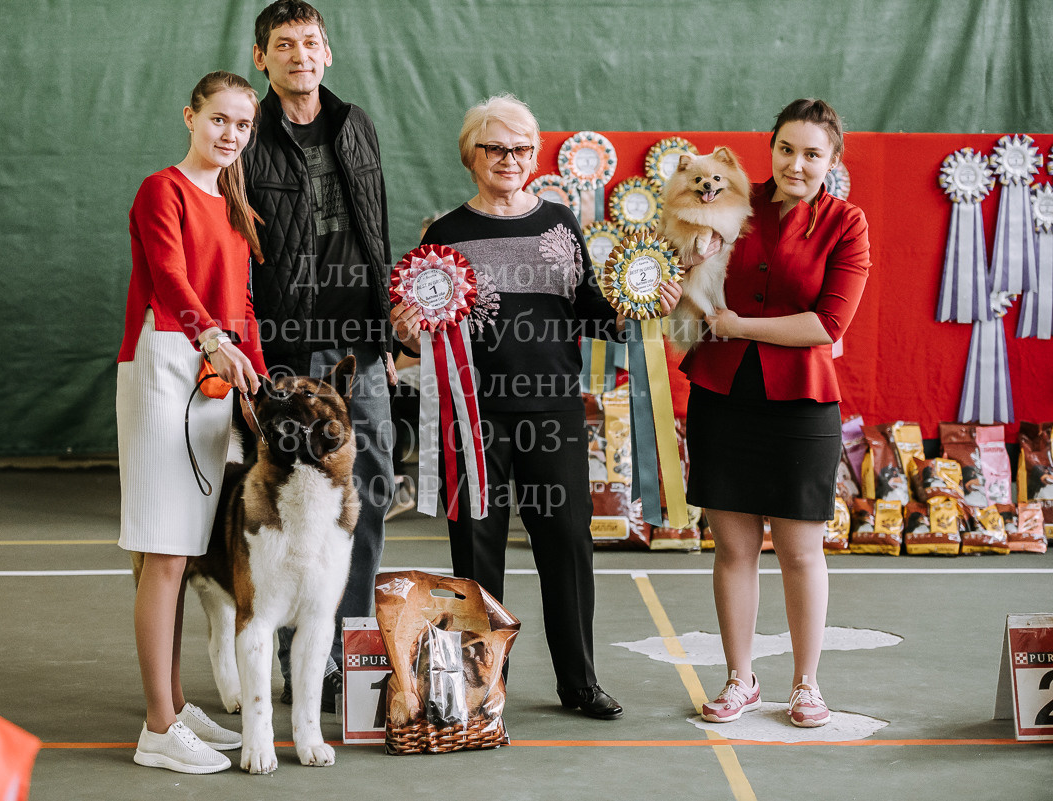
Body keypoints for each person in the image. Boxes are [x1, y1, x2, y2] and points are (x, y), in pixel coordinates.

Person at [390, 94, 682, 720]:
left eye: (522, 149)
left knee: (567, 548)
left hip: (553, 414)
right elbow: (420, 332)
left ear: (534, 154)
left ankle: (578, 683)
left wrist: (642, 301)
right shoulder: (446, 234)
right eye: (495, 147)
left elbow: (587, 312)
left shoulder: (558, 221)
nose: (509, 159)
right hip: (476, 419)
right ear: (472, 153)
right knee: (476, 551)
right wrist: (409, 333)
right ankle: (479, 688)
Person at [681, 98, 871, 728]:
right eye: (786, 149)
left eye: (812, 153)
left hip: (802, 405)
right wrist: (673, 267)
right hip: (721, 395)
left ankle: (806, 684)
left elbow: (828, 323)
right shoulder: (731, 198)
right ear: (770, 149)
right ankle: (741, 680)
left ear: (833, 161)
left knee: (800, 553)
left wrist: (738, 325)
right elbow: (686, 269)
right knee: (733, 551)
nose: (796, 163)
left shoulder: (848, 223)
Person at [242, 0, 394, 711]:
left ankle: (347, 652)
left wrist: (387, 339)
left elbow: (376, 229)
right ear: (260, 58)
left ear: (327, 54)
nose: (300, 54)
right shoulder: (248, 137)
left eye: (311, 42)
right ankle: (287, 647)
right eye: (283, 44)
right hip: (284, 352)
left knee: (367, 490)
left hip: (359, 349)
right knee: (286, 502)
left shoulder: (356, 124)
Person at [116, 70, 267, 773]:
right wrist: (215, 340)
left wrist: (255, 379)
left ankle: (174, 706)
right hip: (164, 368)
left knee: (179, 550)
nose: (230, 133)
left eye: (242, 124)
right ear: (191, 116)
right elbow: (172, 281)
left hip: (213, 379)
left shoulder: (233, 205)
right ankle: (156, 727)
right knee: (164, 552)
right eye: (219, 119)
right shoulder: (161, 190)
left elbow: (242, 308)